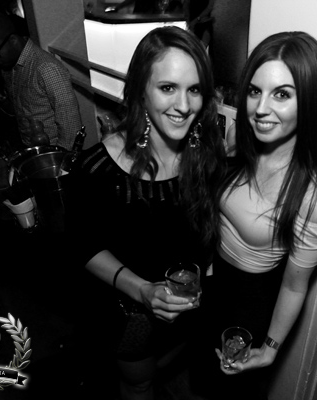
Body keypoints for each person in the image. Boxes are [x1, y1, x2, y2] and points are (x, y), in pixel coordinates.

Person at [65, 26, 226, 399]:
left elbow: (207, 227)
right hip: (128, 309)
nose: (183, 105)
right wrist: (143, 290)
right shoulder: (99, 169)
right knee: (139, 382)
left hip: (190, 302)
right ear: (140, 89)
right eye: (167, 87)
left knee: (173, 362)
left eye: (194, 89)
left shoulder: (206, 155)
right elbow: (82, 246)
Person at [201, 31, 317, 399]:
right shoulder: (240, 143)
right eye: (254, 91)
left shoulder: (314, 197)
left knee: (231, 393)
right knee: (203, 378)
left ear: (310, 101)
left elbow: (294, 285)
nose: (260, 109)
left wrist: (270, 349)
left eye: (282, 94)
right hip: (214, 286)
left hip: (249, 308)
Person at [0, 9, 82, 150]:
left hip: (53, 153)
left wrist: (58, 160)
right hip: (29, 149)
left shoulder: (46, 69)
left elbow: (72, 129)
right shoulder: (8, 66)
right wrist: (2, 100)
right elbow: (20, 112)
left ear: (13, 40)